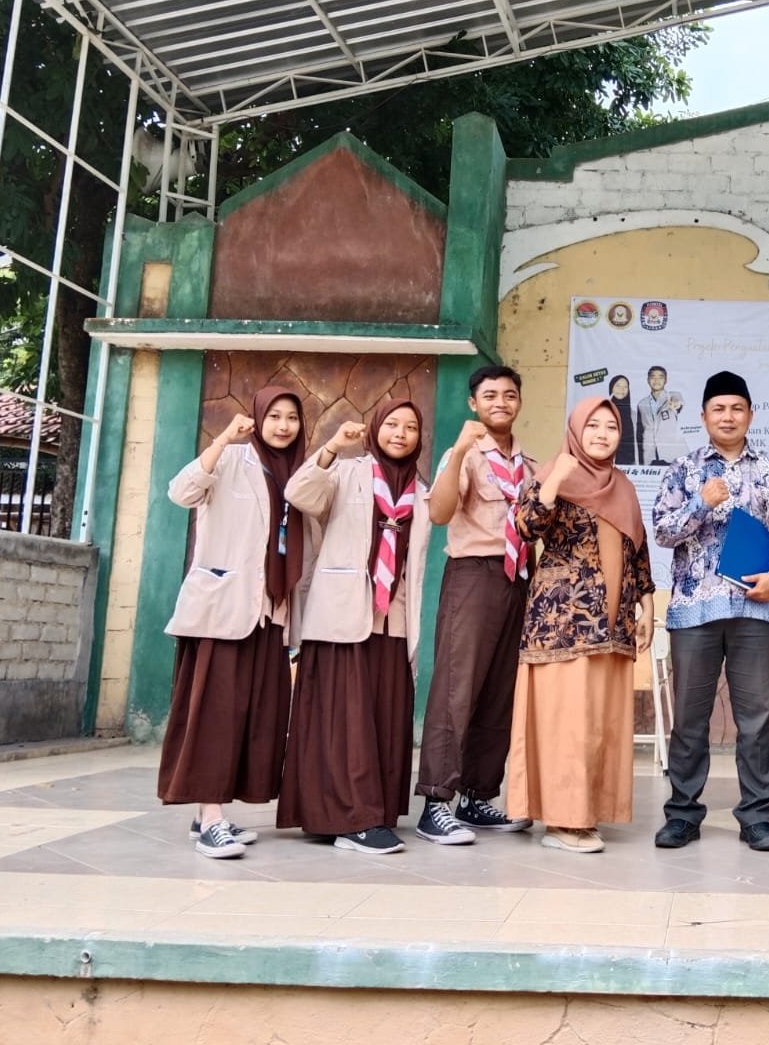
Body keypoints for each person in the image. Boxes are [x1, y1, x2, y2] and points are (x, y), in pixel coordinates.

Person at [652, 370, 769, 852]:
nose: (728, 416)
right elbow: (663, 530)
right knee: (689, 719)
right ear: (703, 416)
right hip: (694, 612)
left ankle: (757, 816)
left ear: (751, 414)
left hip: (756, 611)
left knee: (755, 720)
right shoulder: (683, 469)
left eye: (737, 408)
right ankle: (682, 814)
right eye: (719, 409)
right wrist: (701, 502)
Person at [158, 387, 308, 859]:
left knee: (250, 717)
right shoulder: (230, 458)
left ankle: (207, 813)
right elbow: (181, 492)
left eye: (292, 418)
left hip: (269, 612)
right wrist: (223, 439)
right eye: (275, 416)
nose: (283, 426)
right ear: (259, 419)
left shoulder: (296, 472)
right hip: (222, 609)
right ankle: (211, 819)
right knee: (215, 716)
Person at [278, 399, 429, 855]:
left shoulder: (420, 490)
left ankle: (370, 811)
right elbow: (299, 493)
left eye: (410, 427)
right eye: (392, 424)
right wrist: (331, 448)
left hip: (393, 622)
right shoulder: (346, 471)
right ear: (376, 428)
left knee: (382, 721)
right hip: (341, 617)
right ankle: (352, 820)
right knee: (343, 722)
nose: (400, 433)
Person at [506, 397, 655, 853]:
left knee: (599, 725)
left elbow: (637, 550)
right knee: (566, 724)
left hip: (612, 627)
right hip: (562, 625)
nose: (602, 434)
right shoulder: (551, 474)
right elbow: (527, 527)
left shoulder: (623, 485)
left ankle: (586, 813)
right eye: (592, 425)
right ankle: (561, 821)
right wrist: (555, 479)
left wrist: (647, 606)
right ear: (574, 430)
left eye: (610, 426)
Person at [416, 365, 535, 845]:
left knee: (499, 692)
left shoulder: (528, 465)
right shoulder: (462, 453)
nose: (500, 402)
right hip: (473, 576)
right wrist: (461, 450)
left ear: (519, 402)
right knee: (456, 688)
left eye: (509, 395)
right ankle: (435, 803)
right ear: (473, 403)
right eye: (489, 395)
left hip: (517, 578)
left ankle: (477, 797)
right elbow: (440, 513)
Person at [637, 365, 686, 465]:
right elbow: (640, 432)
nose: (656, 380)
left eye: (660, 377)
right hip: (650, 455)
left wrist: (676, 403)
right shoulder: (641, 404)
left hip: (671, 455)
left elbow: (678, 402)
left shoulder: (672, 396)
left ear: (666, 380)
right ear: (648, 380)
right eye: (653, 377)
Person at [608, 375, 639, 466]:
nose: (621, 389)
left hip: (630, 464)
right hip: (609, 462)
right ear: (611, 388)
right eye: (618, 386)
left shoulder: (633, 414)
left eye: (625, 387)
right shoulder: (605, 411)